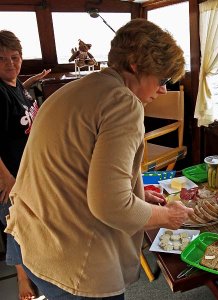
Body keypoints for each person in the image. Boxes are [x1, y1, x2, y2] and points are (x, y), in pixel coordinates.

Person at [5, 18, 192, 299]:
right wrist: (168, 216)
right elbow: (112, 206)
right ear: (134, 65)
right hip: (73, 263)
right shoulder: (124, 103)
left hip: (34, 241)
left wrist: (137, 193)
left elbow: (78, 166)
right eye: (162, 79)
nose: (164, 89)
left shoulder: (75, 89)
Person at [0, 29, 51, 300]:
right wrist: (8, 179)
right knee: (15, 224)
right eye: (2, 59)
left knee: (27, 223)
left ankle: (34, 271)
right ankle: (23, 281)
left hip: (25, 171)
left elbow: (19, 91)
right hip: (9, 175)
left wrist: (32, 81)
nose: (10, 63)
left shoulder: (15, 83)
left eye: (15, 57)